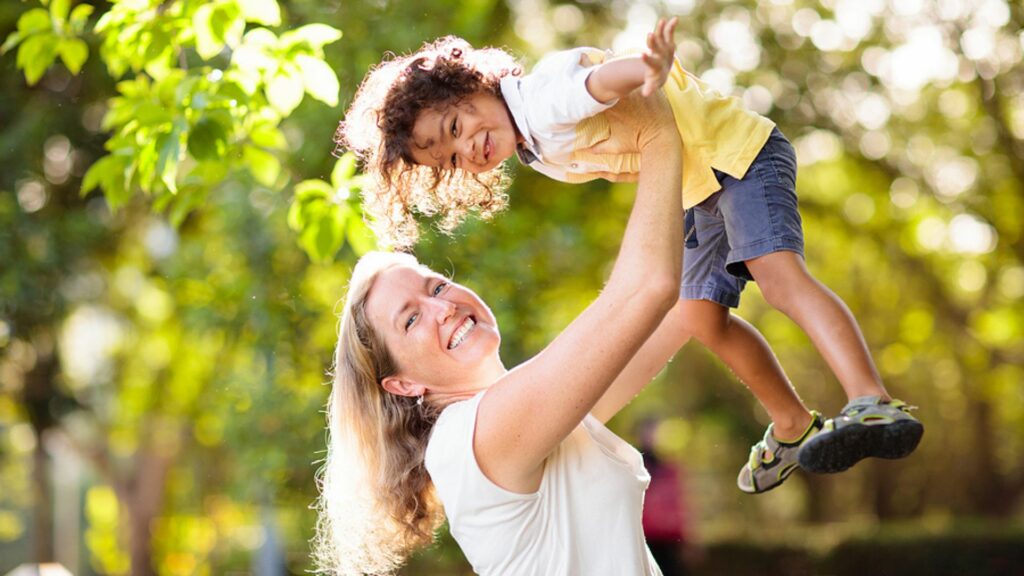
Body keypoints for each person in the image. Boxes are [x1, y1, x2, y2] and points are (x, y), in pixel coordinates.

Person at [337, 18, 923, 493]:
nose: (468, 148)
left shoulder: (537, 101)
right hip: (703, 189)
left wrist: (644, 68)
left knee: (780, 279)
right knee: (698, 317)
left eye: (458, 125)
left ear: (473, 87)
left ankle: (871, 400)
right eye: (450, 158)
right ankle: (794, 427)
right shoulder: (533, 147)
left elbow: (590, 84)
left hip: (738, 155)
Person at [313, 69, 684, 574]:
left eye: (435, 285)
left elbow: (683, 313)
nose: (444, 306)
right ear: (401, 382)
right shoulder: (471, 440)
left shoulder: (530, 415)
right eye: (410, 320)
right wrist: (659, 134)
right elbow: (647, 291)